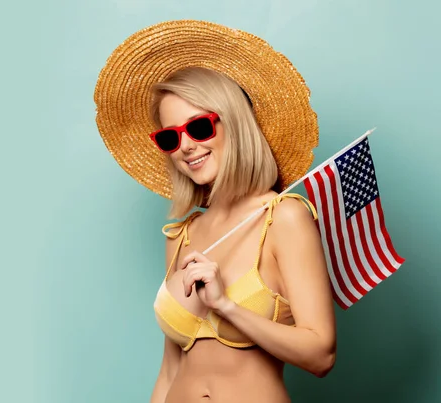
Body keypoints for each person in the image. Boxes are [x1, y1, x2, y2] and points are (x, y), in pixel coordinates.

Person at [94, 20, 337, 403]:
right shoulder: (183, 236)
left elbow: (321, 355)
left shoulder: (284, 217)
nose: (186, 146)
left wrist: (225, 306)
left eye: (200, 127)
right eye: (170, 137)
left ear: (234, 124)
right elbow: (170, 370)